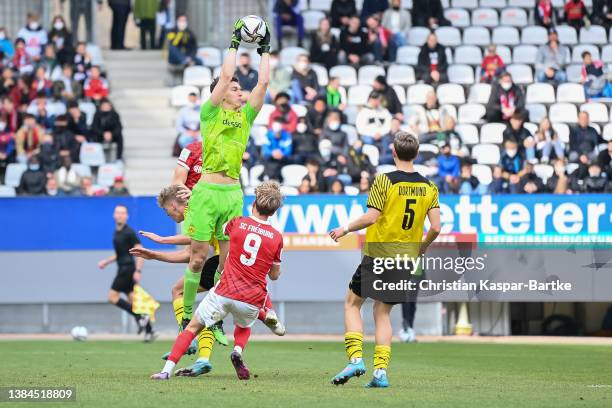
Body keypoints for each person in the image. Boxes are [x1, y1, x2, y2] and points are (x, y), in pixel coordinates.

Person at [176, 18, 270, 328]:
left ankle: (211, 317)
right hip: (207, 191)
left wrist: (264, 50)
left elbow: (264, 84)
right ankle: (187, 314)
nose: (239, 90)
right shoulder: (210, 113)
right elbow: (228, 72)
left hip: (232, 194)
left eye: (240, 88)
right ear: (221, 90)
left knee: (227, 262)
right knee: (198, 257)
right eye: (234, 87)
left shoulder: (246, 117)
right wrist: (235, 42)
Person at [329, 132, 440, 388]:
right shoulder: (429, 187)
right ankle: (380, 373)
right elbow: (436, 227)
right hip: (405, 259)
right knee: (383, 312)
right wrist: (422, 247)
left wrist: (344, 229)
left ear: (393, 152)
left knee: (352, 304)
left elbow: (371, 218)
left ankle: (356, 358)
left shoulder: (384, 181)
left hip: (379, 254)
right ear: (416, 153)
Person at [150, 181, 285, 380]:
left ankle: (166, 371)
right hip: (251, 298)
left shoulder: (237, 223)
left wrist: (197, 200)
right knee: (244, 326)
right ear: (273, 212)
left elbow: (206, 230)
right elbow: (274, 275)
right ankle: (238, 351)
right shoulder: (277, 237)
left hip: (224, 290)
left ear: (254, 204)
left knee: (193, 328)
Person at [98, 205, 155, 341]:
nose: (120, 215)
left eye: (122, 213)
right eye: (117, 212)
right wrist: (106, 261)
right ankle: (149, 331)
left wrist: (138, 270)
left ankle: (140, 317)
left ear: (127, 216)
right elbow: (120, 254)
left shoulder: (129, 232)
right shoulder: (116, 232)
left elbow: (141, 251)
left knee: (112, 297)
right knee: (133, 301)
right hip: (122, 267)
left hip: (127, 269)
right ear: (114, 215)